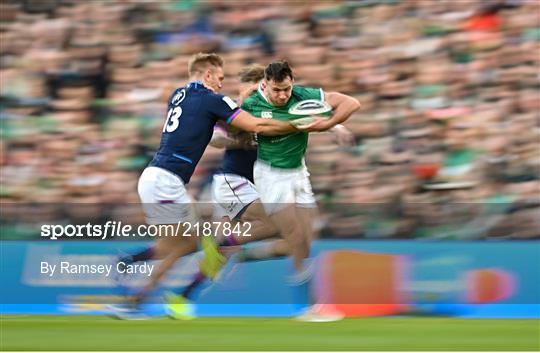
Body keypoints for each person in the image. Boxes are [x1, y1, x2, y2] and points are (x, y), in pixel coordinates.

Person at [114, 53, 311, 317]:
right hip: (227, 182)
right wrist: (248, 137)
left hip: (199, 181)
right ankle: (215, 251)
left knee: (185, 245)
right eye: (220, 79)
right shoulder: (226, 106)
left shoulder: (184, 95)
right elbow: (218, 137)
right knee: (262, 229)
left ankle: (152, 280)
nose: (222, 84)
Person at [241, 60, 361, 319]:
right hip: (271, 175)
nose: (282, 95)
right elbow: (259, 128)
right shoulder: (251, 104)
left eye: (286, 89)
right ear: (266, 85)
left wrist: (330, 124)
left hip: (299, 173)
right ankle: (309, 307)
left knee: (306, 242)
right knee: (295, 238)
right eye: (277, 90)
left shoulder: (302, 95)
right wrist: (304, 123)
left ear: (292, 83)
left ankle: (246, 254)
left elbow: (351, 103)